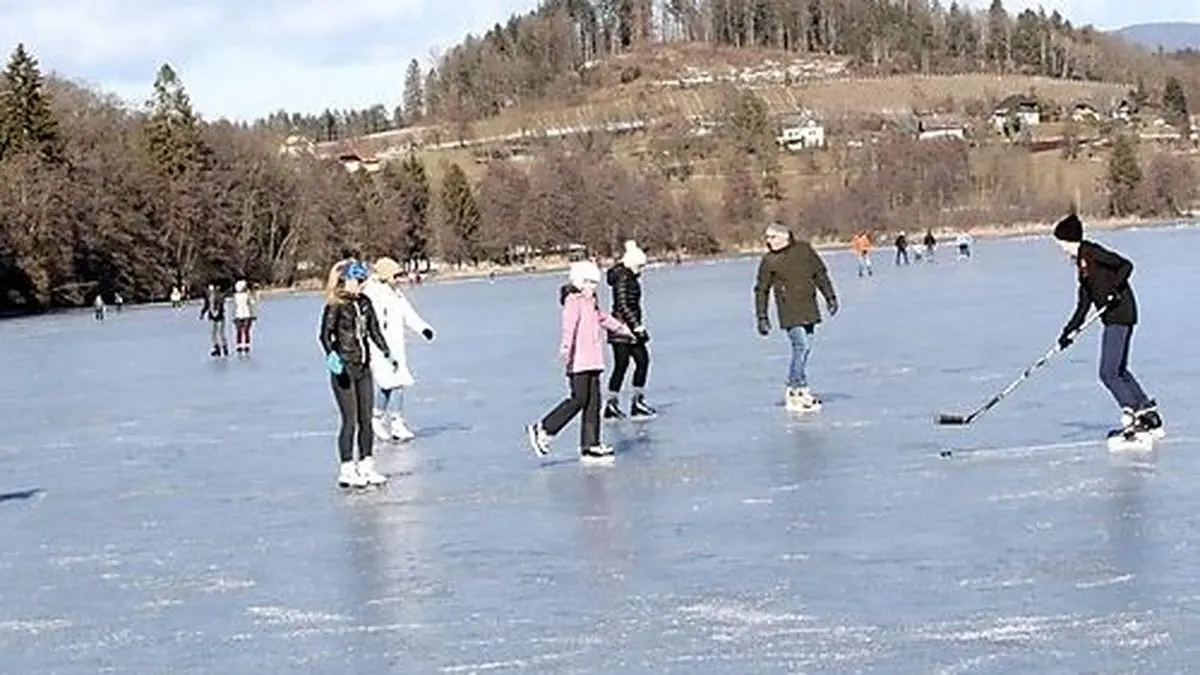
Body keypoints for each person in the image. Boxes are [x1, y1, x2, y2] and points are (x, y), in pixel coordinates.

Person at [1052, 214, 1164, 439]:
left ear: (1070, 240)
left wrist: (1114, 290)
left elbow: (1125, 265)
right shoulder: (1083, 268)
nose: (1061, 248)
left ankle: (1135, 416)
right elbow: (1083, 305)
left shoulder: (1092, 252)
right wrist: (1068, 332)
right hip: (1115, 317)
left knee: (1108, 373)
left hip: (1120, 314)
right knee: (1119, 370)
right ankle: (1147, 412)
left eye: (1061, 243)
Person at [526, 261, 633, 461]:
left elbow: (603, 319)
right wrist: (566, 349)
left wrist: (622, 329)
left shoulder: (591, 302)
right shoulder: (573, 302)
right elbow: (569, 328)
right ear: (578, 282)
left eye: (594, 283)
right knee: (578, 399)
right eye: (589, 283)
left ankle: (590, 445)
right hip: (578, 361)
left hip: (594, 360)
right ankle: (544, 428)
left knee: (594, 403)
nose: (593, 287)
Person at [320, 260, 397, 488]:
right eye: (359, 281)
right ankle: (346, 469)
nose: (362, 285)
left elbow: (373, 330)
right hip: (344, 370)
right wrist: (332, 356)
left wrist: (387, 352)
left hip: (364, 368)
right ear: (347, 281)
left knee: (366, 420)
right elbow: (325, 335)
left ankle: (366, 465)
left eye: (364, 281)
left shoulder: (364, 303)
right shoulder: (335, 305)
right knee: (350, 421)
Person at [754, 222, 839, 411]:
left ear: (784, 236)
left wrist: (830, 297)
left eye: (772, 237)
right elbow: (762, 290)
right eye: (767, 238)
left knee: (805, 348)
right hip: (788, 310)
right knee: (801, 345)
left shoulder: (804, 250)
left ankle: (798, 387)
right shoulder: (769, 261)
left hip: (808, 305)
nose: (769, 241)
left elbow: (820, 274)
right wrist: (762, 316)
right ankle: (796, 389)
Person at [361, 256, 436, 442]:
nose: (399, 279)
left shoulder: (396, 294)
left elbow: (408, 313)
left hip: (396, 345)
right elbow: (370, 322)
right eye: (395, 275)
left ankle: (390, 420)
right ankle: (383, 419)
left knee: (396, 383)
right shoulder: (372, 293)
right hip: (379, 346)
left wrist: (423, 328)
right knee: (390, 384)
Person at [603, 240, 656, 420]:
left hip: (628, 327)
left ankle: (635, 402)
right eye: (639, 266)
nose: (641, 270)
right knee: (625, 364)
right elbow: (623, 305)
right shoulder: (624, 278)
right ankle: (614, 404)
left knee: (640, 362)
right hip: (621, 329)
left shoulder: (628, 277)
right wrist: (637, 327)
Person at [200, 283, 229, 357]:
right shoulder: (219, 295)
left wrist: (203, 313)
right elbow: (208, 305)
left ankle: (218, 348)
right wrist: (203, 313)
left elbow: (207, 305)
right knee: (220, 333)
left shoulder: (211, 296)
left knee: (215, 333)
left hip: (215, 316)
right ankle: (223, 348)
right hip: (219, 316)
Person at [232, 279, 257, 355]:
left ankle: (241, 346)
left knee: (241, 331)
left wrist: (233, 316)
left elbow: (235, 307)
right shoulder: (244, 295)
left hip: (241, 315)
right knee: (244, 331)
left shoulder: (238, 296)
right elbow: (253, 303)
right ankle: (244, 346)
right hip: (244, 315)